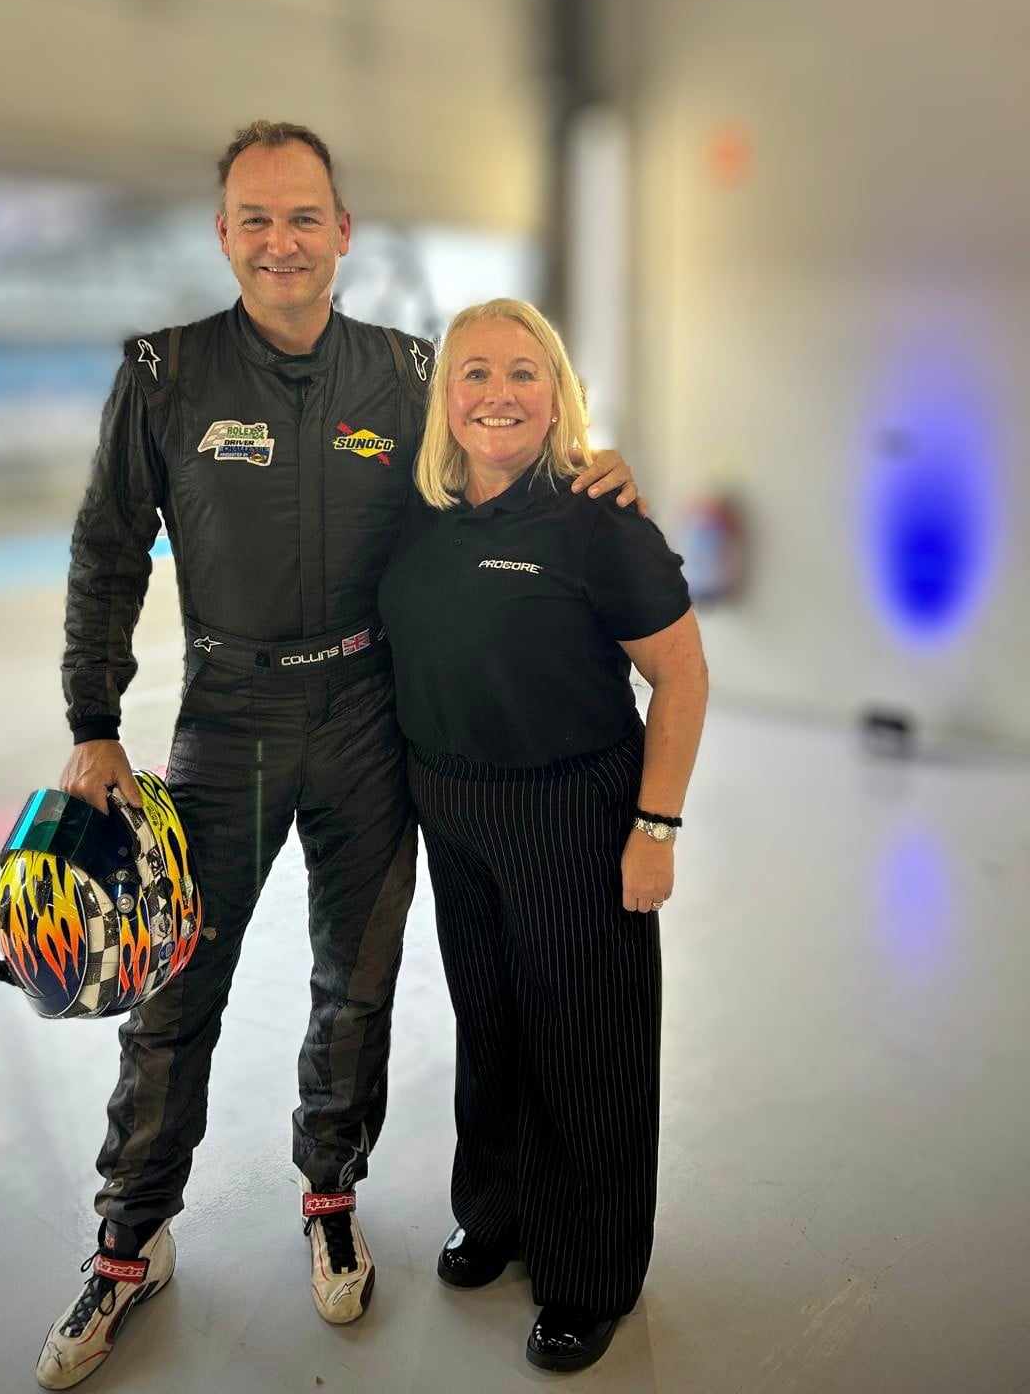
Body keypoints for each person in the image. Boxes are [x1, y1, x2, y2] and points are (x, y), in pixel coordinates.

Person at [37, 122, 640, 1389]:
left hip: (370, 717)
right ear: (223, 235)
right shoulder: (163, 372)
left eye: (304, 217)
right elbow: (106, 550)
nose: (280, 241)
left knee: (354, 981)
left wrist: (593, 469)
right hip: (227, 724)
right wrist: (96, 719)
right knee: (173, 994)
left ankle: (330, 1194)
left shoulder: (409, 370)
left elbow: (496, 440)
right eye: (254, 219)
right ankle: (128, 1240)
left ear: (344, 231)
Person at [378, 298, 708, 1374]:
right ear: (446, 399)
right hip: (453, 803)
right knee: (494, 1022)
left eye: (524, 373)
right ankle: (501, 1213)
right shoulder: (420, 512)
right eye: (474, 373)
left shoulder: (599, 520)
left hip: (573, 806)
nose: (497, 394)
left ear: (558, 393)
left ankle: (589, 1275)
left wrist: (654, 827)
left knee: (588, 1043)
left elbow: (682, 677)